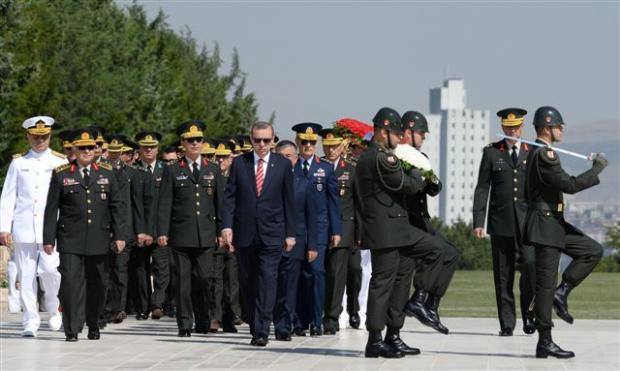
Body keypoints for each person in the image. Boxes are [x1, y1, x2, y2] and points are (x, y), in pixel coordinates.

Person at [355, 107, 448, 358]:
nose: (399, 139)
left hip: (398, 229)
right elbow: (406, 185)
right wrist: (418, 171)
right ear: (383, 132)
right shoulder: (381, 158)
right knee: (383, 284)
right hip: (386, 231)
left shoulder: (377, 155)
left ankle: (396, 329)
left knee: (430, 256)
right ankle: (375, 340)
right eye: (395, 134)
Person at [524, 106, 607, 358]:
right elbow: (569, 185)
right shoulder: (544, 155)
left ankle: (563, 292)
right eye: (559, 126)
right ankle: (545, 340)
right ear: (547, 128)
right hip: (545, 225)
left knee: (592, 250)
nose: (562, 130)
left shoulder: (543, 153)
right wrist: (596, 169)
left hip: (554, 222)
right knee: (545, 284)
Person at [43, 127, 126, 342]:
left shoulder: (106, 173)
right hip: (70, 238)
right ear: (74, 150)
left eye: (91, 147)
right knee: (71, 284)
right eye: (83, 148)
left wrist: (120, 235)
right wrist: (47, 238)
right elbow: (52, 208)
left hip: (99, 238)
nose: (88, 151)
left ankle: (94, 322)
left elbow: (117, 206)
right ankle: (72, 328)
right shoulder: (62, 173)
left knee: (98, 284)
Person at [221, 121, 295, 346]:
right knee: (248, 282)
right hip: (245, 233)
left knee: (267, 280)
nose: (262, 144)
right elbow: (230, 198)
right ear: (251, 140)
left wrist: (290, 233)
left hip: (272, 233)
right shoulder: (239, 163)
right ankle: (255, 324)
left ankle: (262, 329)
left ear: (273, 141)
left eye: (266, 140)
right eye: (257, 140)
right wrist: (226, 227)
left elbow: (288, 201)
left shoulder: (282, 165)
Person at [157, 120, 225, 337]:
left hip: (205, 235)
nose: (195, 143)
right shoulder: (174, 169)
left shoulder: (212, 169)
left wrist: (221, 230)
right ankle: (184, 323)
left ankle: (203, 319)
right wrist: (162, 232)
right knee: (182, 283)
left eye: (198, 140)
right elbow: (165, 203)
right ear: (182, 143)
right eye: (190, 140)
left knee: (204, 279)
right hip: (181, 235)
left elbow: (220, 204)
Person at [0, 116, 67, 337]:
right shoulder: (19, 163)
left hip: (51, 228)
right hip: (24, 227)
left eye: (44, 136)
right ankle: (30, 320)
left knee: (51, 271)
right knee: (26, 275)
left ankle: (54, 307)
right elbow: (8, 197)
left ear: (50, 136)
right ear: (28, 136)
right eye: (36, 136)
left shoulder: (60, 162)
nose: (40, 140)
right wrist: (4, 227)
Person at [472, 108, 536, 336]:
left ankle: (530, 315)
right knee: (503, 275)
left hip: (528, 224)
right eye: (508, 127)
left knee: (530, 267)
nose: (512, 130)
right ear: (502, 127)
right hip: (501, 223)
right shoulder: (492, 153)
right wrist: (478, 221)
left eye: (516, 126)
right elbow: (482, 188)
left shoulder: (533, 151)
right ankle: (507, 324)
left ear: (522, 127)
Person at [400, 111, 459, 335]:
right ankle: (419, 299)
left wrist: (430, 179)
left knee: (452, 254)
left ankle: (432, 306)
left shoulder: (419, 157)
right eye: (421, 134)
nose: (423, 137)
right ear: (408, 132)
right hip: (408, 221)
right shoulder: (398, 158)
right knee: (437, 251)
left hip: (422, 220)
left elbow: (434, 188)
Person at [273, 140, 318, 341]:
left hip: (296, 240)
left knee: (291, 286)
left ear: (296, 158)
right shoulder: (268, 179)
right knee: (271, 284)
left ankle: (285, 324)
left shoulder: (304, 181)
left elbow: (311, 215)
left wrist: (313, 245)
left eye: (289, 156)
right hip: (270, 239)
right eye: (281, 156)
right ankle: (268, 319)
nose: (285, 160)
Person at [319, 128, 362, 334]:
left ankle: (334, 316)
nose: (330, 150)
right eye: (327, 146)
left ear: (342, 146)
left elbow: (359, 203)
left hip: (345, 228)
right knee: (323, 273)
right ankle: (323, 312)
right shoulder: (317, 167)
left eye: (334, 146)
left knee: (343, 273)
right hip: (320, 227)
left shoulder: (351, 170)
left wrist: (359, 234)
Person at [133, 131, 172, 320]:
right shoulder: (132, 171)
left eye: (152, 147)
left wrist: (162, 230)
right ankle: (143, 307)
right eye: (145, 147)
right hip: (139, 229)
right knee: (141, 270)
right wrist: (139, 231)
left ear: (157, 149)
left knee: (161, 269)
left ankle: (158, 304)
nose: (148, 150)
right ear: (139, 149)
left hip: (160, 229)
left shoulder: (166, 170)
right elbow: (132, 205)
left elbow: (167, 204)